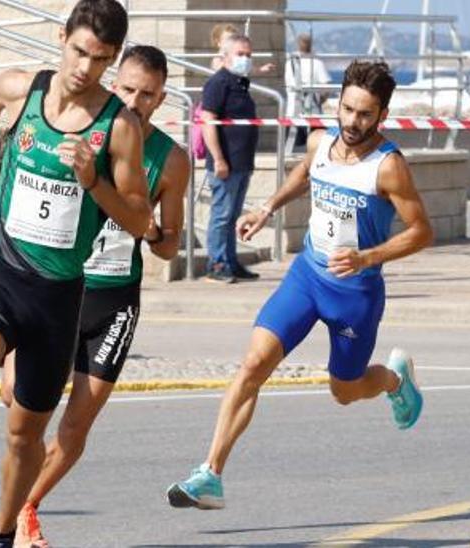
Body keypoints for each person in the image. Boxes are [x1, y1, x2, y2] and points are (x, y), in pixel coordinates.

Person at [0, 2, 150, 546]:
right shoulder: (25, 89)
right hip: (1, 272)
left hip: (57, 298)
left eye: (102, 60)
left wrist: (93, 181)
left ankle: (0, 533)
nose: (86, 69)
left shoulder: (119, 128)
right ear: (61, 38)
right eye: (80, 52)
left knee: (25, 436)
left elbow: (139, 219)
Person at [166, 60, 434, 510]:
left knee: (344, 391)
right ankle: (209, 474)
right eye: (347, 109)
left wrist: (367, 256)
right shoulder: (321, 141)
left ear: (382, 115)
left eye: (365, 114)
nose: (352, 122)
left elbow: (422, 231)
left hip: (356, 293)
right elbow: (305, 173)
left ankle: (393, 380)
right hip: (307, 276)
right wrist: (267, 208)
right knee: (253, 364)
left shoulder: (388, 168)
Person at [0, 44, 190, 547]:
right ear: (112, 82)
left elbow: (170, 247)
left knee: (75, 429)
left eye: (147, 94)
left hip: (113, 300)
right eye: (126, 89)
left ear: (161, 97)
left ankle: (24, 512)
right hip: (53, 288)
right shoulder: (79, 126)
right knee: (17, 400)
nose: (135, 100)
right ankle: (14, 506)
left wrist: (150, 233)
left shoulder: (171, 161)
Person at [200, 33, 261, 282]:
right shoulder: (219, 83)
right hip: (226, 164)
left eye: (248, 55)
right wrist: (219, 159)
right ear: (225, 56)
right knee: (222, 215)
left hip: (242, 162)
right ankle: (216, 264)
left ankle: (230, 262)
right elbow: (208, 122)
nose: (245, 59)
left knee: (232, 216)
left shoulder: (240, 82)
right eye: (240, 54)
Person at [285, 32, 332, 149]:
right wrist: (321, 100)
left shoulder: (289, 62)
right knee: (316, 144)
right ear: (311, 44)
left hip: (293, 110)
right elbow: (326, 87)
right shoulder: (316, 62)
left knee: (293, 146)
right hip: (313, 110)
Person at [209, 23, 275, 74]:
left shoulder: (234, 56)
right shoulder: (219, 57)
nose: (232, 43)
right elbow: (220, 70)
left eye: (234, 40)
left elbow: (245, 67)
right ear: (218, 42)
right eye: (228, 40)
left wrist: (260, 69)